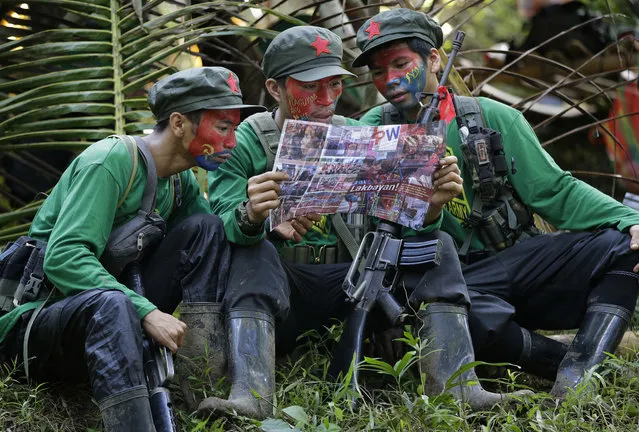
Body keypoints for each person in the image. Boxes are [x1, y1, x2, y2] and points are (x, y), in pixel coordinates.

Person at [202, 25, 524, 416]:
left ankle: (457, 388)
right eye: (310, 88)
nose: (326, 99)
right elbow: (218, 225)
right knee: (250, 253)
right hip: (283, 295)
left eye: (335, 85)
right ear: (275, 89)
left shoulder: (363, 136)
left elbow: (402, 228)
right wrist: (254, 218)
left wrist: (432, 206)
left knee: (436, 247)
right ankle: (250, 395)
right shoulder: (246, 141)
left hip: (357, 289)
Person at [355, 8, 639, 397]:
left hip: (514, 264)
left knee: (626, 246)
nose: (389, 79)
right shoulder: (369, 134)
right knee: (440, 310)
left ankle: (582, 371)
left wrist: (628, 219)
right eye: (377, 71)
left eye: (401, 63)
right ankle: (557, 364)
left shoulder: (491, 118)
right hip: (442, 283)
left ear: (434, 58)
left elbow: (555, 191)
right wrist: (428, 205)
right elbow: (368, 229)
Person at [0, 67, 287, 431]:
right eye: (223, 128)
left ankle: (200, 386)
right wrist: (147, 312)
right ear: (180, 123)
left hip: (111, 325)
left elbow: (218, 240)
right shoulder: (112, 161)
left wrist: (251, 215)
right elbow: (64, 257)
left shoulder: (178, 181)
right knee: (112, 302)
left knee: (207, 226)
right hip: (36, 326)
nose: (232, 142)